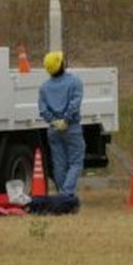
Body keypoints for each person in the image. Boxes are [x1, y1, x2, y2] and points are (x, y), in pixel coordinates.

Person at [38, 50, 85, 199]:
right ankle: (66, 194)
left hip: (53, 129)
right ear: (62, 64)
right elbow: (75, 104)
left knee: (59, 164)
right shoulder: (75, 82)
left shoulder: (44, 87)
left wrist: (53, 121)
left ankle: (62, 193)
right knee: (76, 162)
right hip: (72, 127)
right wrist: (66, 120)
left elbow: (43, 110)